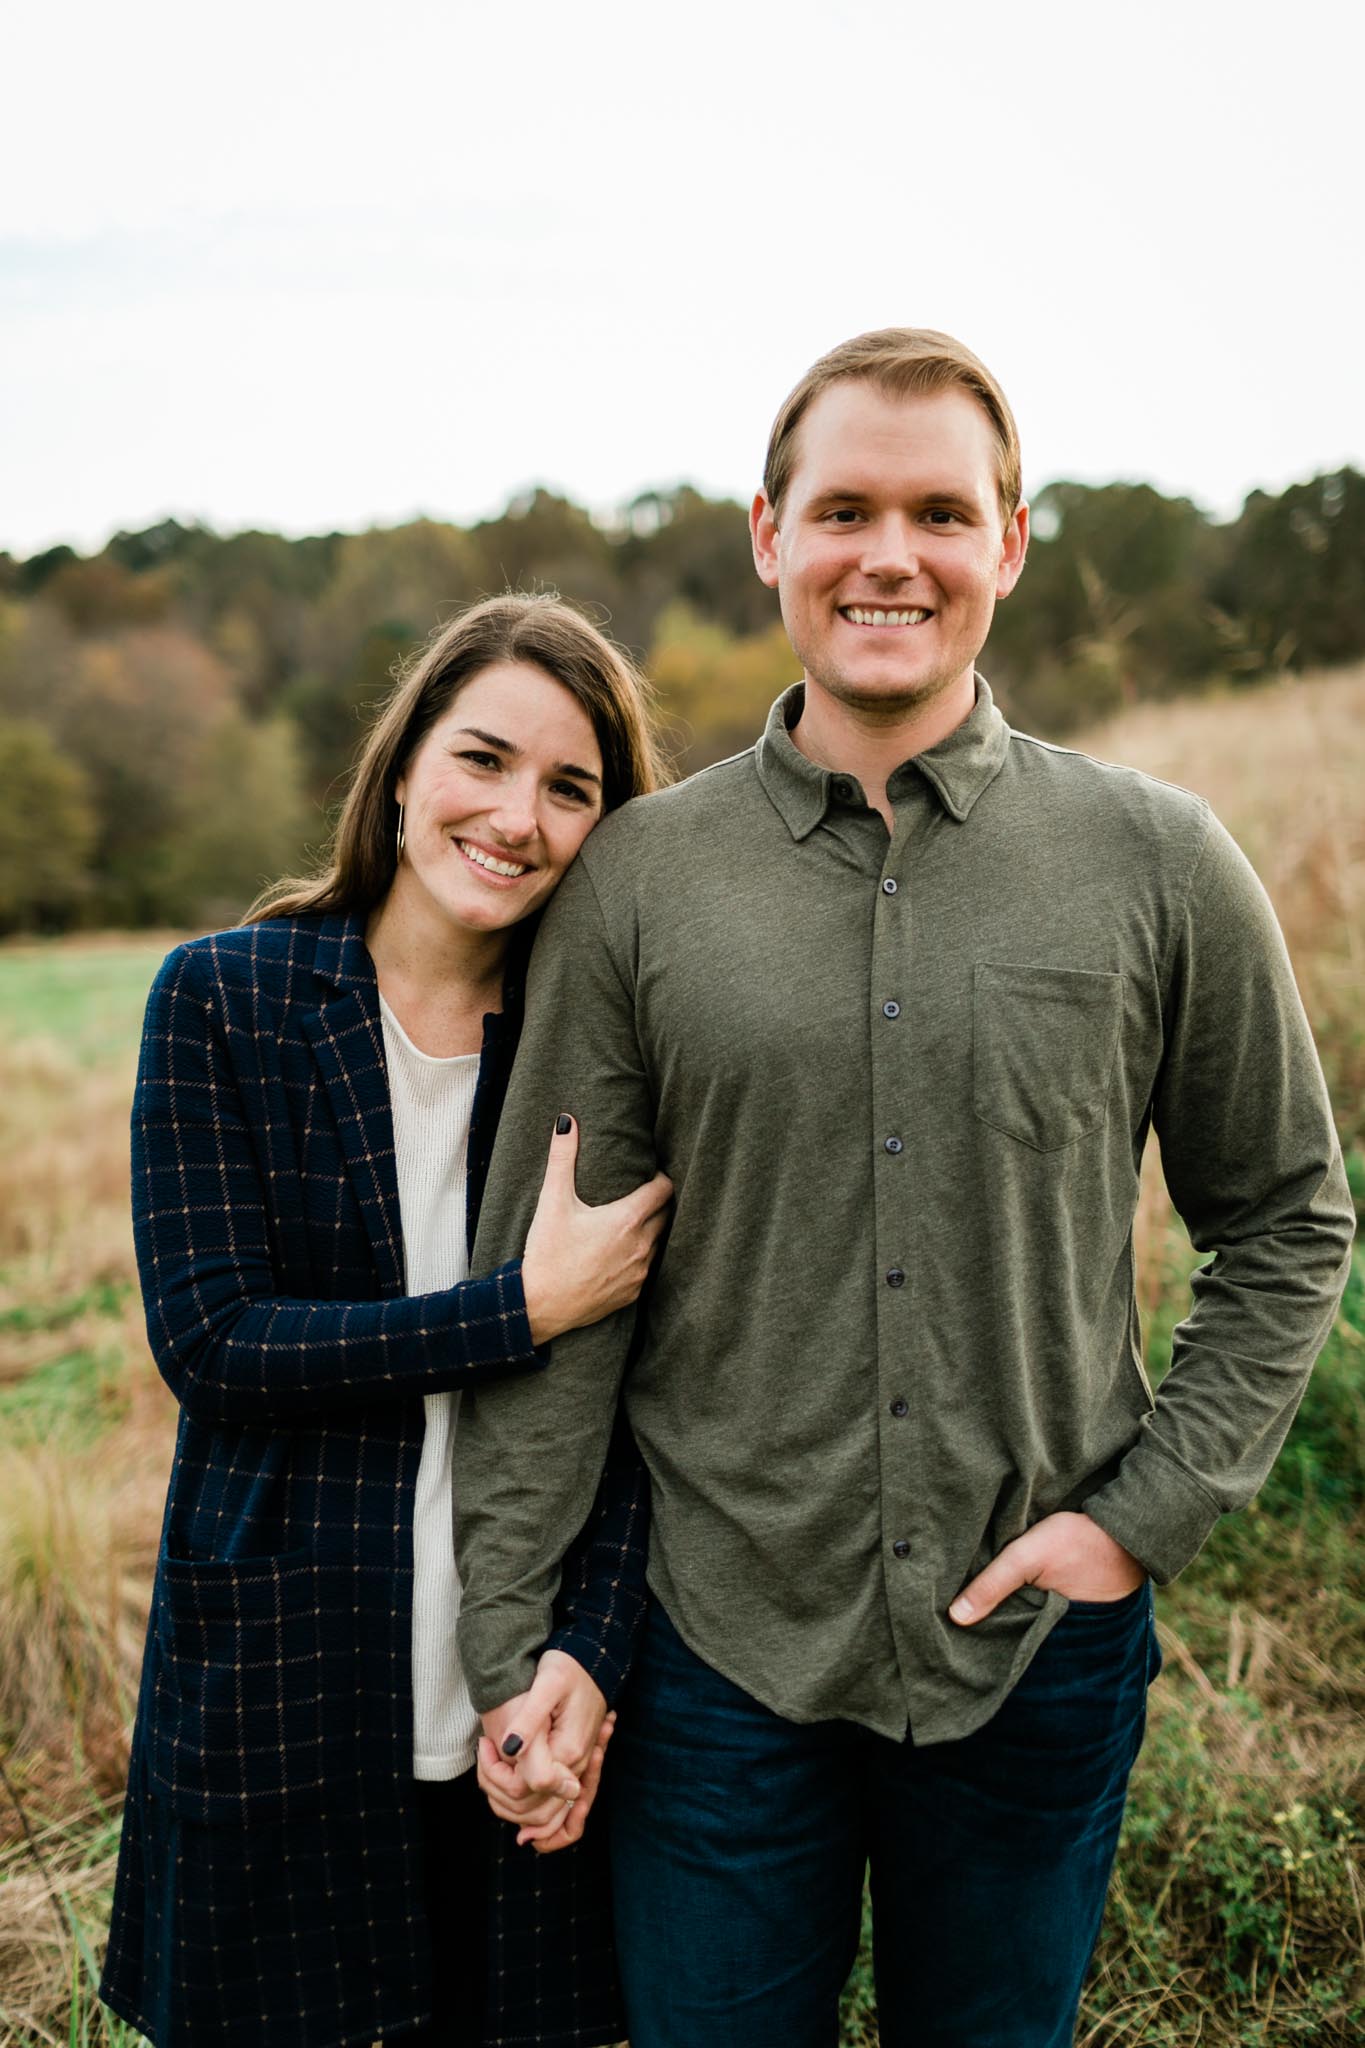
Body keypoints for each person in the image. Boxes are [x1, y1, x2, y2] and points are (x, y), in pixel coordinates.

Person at [452, 331, 1356, 2047]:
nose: (890, 554)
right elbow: (550, 1287)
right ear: (766, 536)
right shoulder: (639, 879)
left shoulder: (1157, 861)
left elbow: (1290, 1217)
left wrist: (1138, 1522)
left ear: (1008, 543)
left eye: (939, 511)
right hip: (713, 1656)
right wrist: (516, 1643)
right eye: (844, 507)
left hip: (1037, 1651)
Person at [99, 593, 673, 2048]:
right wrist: (517, 1310)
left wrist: (591, 1659)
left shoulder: (598, 1049)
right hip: (288, 1676)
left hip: (524, 1693)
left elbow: (657, 1404)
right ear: (405, 762)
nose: (515, 816)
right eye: (482, 758)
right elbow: (215, 1343)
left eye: (569, 788)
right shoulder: (225, 999)